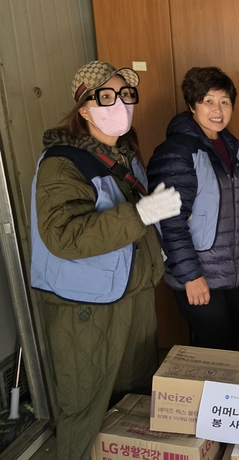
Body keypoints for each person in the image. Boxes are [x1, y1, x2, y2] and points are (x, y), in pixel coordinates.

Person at [30, 60, 181, 459]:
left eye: (126, 94)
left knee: (133, 401)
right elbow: (64, 236)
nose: (120, 104)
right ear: (84, 109)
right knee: (86, 409)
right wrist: (140, 214)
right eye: (107, 96)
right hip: (87, 308)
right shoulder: (63, 163)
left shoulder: (124, 155)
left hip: (132, 294)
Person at [147, 67, 239, 350]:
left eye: (225, 101)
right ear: (192, 105)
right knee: (219, 352)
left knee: (223, 351)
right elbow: (168, 220)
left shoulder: (230, 146)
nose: (218, 110)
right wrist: (191, 276)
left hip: (228, 271)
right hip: (197, 272)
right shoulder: (177, 150)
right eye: (208, 101)